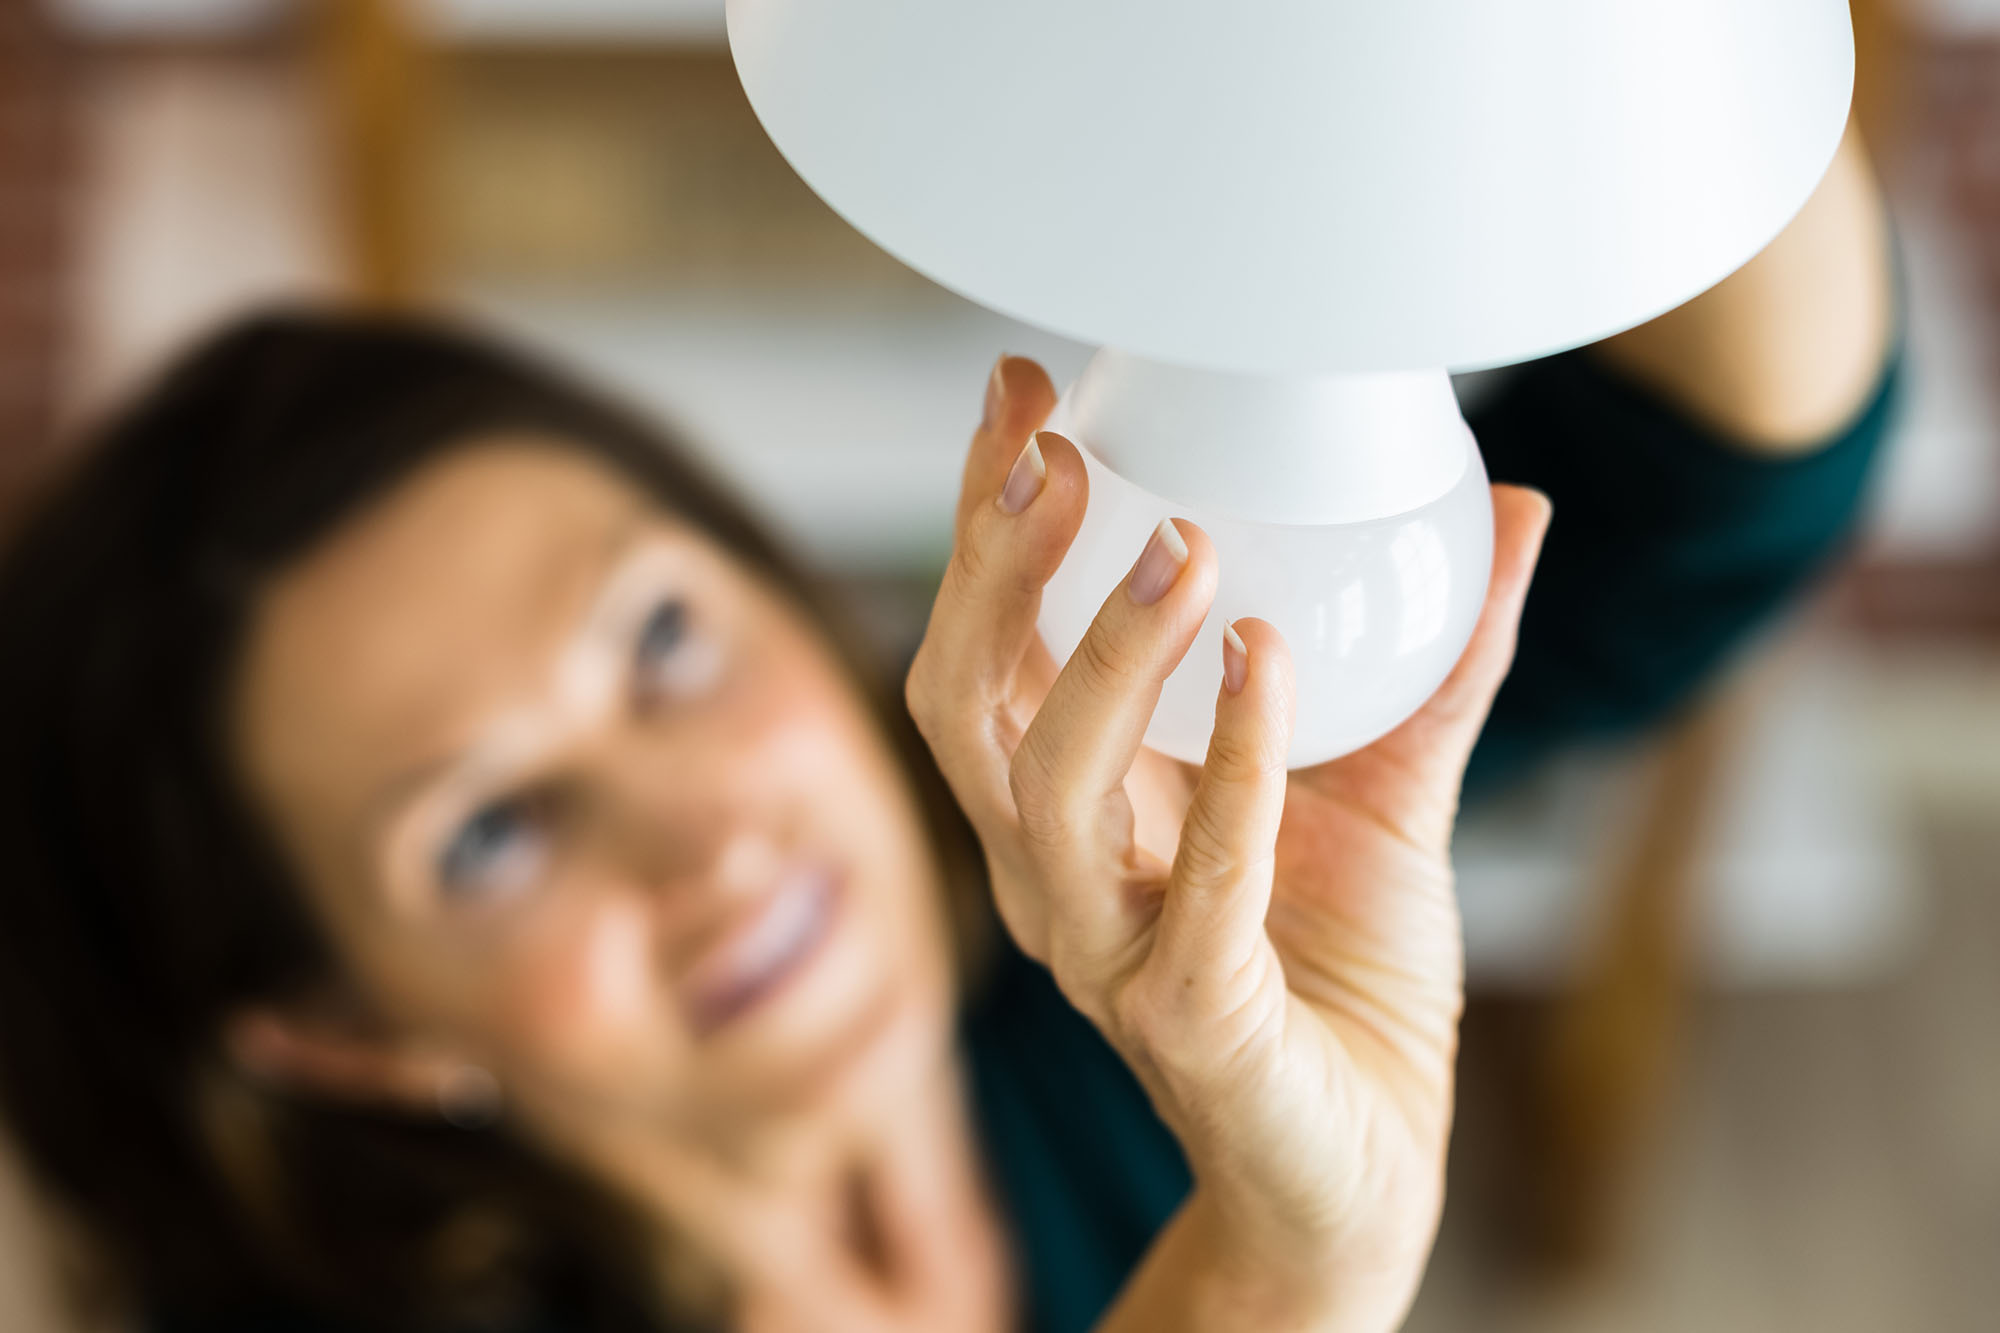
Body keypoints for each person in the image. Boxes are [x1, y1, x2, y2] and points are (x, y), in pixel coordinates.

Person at [0, 127, 1893, 1333]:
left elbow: (1711, 495)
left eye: (661, 637)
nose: (709, 832)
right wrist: (1289, 1262)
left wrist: (1648, 63)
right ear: (347, 1030)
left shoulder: (1097, 860)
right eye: (489, 833)